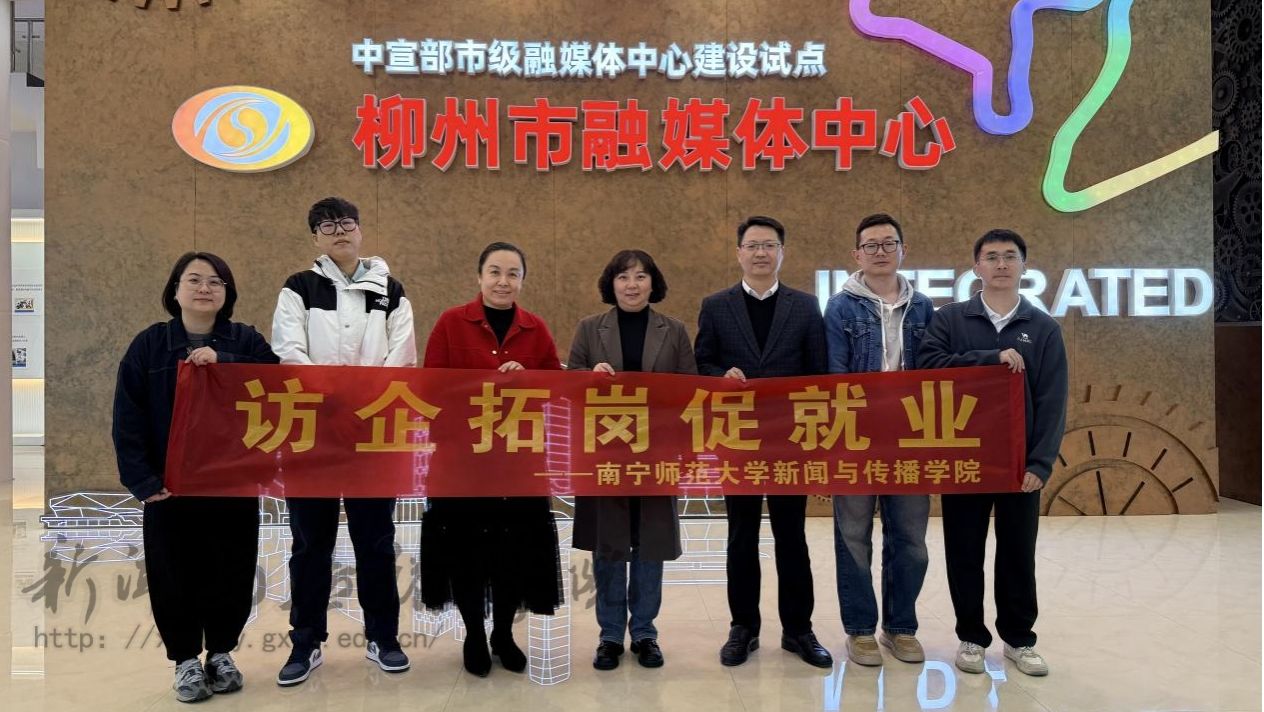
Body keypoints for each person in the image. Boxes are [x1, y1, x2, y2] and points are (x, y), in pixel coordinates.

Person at [113, 251, 279, 703]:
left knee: (232, 569)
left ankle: (221, 653)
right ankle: (185, 659)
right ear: (175, 290)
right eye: (194, 279)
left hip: (231, 484)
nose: (205, 288)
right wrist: (143, 481)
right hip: (170, 487)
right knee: (173, 571)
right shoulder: (149, 345)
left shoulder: (245, 340)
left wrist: (225, 360)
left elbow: (278, 381)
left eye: (215, 281)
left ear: (227, 293)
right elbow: (128, 417)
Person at [271, 196, 417, 686]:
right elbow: (288, 351)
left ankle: (384, 637)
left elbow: (402, 356)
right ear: (315, 237)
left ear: (360, 230)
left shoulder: (391, 291)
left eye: (346, 223)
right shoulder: (298, 287)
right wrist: (333, 399)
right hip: (311, 433)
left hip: (373, 434)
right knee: (310, 543)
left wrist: (364, 404)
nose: (339, 231)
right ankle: (306, 642)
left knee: (375, 540)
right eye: (327, 225)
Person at [917, 229, 1068, 678]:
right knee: (964, 550)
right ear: (976, 267)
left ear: (1024, 266)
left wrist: (1040, 463)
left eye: (1010, 257)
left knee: (1018, 552)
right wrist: (989, 357)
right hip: (963, 457)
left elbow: (1053, 401)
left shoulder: (1043, 327)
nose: (1001, 264)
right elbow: (927, 367)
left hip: (1019, 464)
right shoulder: (950, 319)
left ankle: (1019, 640)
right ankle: (971, 637)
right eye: (992, 257)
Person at [694, 215, 833, 669]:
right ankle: (743, 628)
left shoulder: (805, 306)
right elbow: (701, 363)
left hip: (791, 440)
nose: (760, 253)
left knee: (792, 536)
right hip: (738, 440)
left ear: (781, 253)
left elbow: (819, 376)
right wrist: (721, 375)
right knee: (741, 536)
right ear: (739, 253)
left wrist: (819, 446)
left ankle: (799, 630)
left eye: (769, 245)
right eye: (752, 245)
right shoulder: (716, 306)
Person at [420, 241, 563, 677]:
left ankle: (502, 633)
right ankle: (474, 636)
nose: (503, 281)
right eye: (495, 272)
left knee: (512, 552)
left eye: (513, 274)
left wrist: (528, 378)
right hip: (462, 463)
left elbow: (555, 388)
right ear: (479, 277)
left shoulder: (536, 328)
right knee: (466, 552)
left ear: (523, 280)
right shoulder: (451, 322)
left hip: (518, 463)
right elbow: (429, 389)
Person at [567, 249, 697, 671]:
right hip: (605, 452)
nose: (632, 285)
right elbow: (570, 383)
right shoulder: (590, 328)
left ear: (652, 283)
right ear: (612, 283)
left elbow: (690, 389)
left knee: (649, 542)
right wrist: (589, 379)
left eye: (641, 276)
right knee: (608, 544)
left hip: (656, 452)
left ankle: (644, 632)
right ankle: (609, 635)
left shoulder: (673, 330)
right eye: (623, 277)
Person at [824, 213, 935, 667]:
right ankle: (860, 630)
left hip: (912, 440)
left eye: (889, 243)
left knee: (911, 539)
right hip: (856, 439)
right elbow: (834, 378)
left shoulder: (924, 307)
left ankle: (901, 627)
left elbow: (938, 369)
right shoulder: (840, 308)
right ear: (857, 254)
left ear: (903, 250)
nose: (880, 252)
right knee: (853, 537)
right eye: (871, 245)